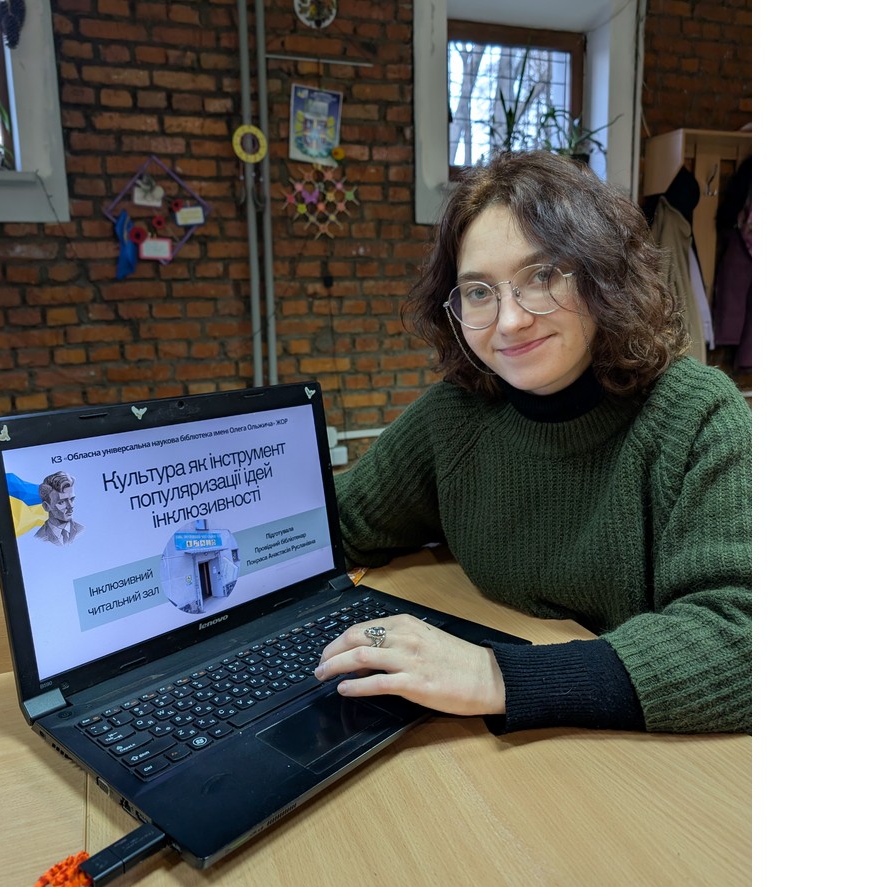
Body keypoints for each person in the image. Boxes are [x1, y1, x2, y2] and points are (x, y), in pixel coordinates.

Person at [314, 150, 751, 736]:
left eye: (541, 277)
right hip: (515, 747)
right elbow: (337, 527)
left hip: (641, 753)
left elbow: (743, 640)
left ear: (602, 276)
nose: (510, 321)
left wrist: (496, 675)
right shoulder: (456, 417)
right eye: (478, 292)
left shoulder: (696, 416)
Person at [34, 471, 84, 546]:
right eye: (61, 502)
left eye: (72, 499)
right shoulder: (39, 538)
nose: (70, 506)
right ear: (46, 506)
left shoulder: (81, 530)